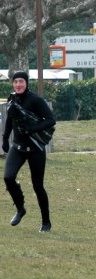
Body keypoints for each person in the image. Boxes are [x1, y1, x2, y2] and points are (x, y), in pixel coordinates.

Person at [2, 71, 56, 232]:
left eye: (21, 81)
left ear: (26, 83)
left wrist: (32, 129)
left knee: (38, 185)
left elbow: (51, 120)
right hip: (18, 147)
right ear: (13, 84)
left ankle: (46, 222)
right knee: (8, 177)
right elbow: (11, 119)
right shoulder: (12, 98)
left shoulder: (36, 100)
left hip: (35, 148)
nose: (18, 84)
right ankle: (20, 208)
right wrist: (5, 139)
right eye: (16, 82)